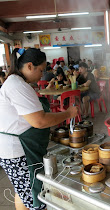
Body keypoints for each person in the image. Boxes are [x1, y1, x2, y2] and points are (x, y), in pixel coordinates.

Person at [0, 48, 78, 210]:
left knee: (22, 193)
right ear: (29, 66)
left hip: (16, 149)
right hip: (20, 153)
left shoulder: (16, 82)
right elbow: (40, 121)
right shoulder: (16, 85)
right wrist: (68, 113)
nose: (42, 75)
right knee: (35, 196)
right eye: (41, 70)